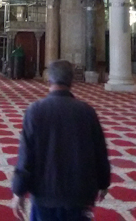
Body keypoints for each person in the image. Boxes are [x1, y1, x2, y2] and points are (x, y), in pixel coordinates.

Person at [11, 59, 111, 221]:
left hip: (45, 194)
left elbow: (26, 156)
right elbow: (100, 152)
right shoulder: (87, 112)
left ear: (49, 80)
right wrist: (103, 183)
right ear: (71, 81)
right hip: (79, 195)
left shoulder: (35, 111)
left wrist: (19, 191)